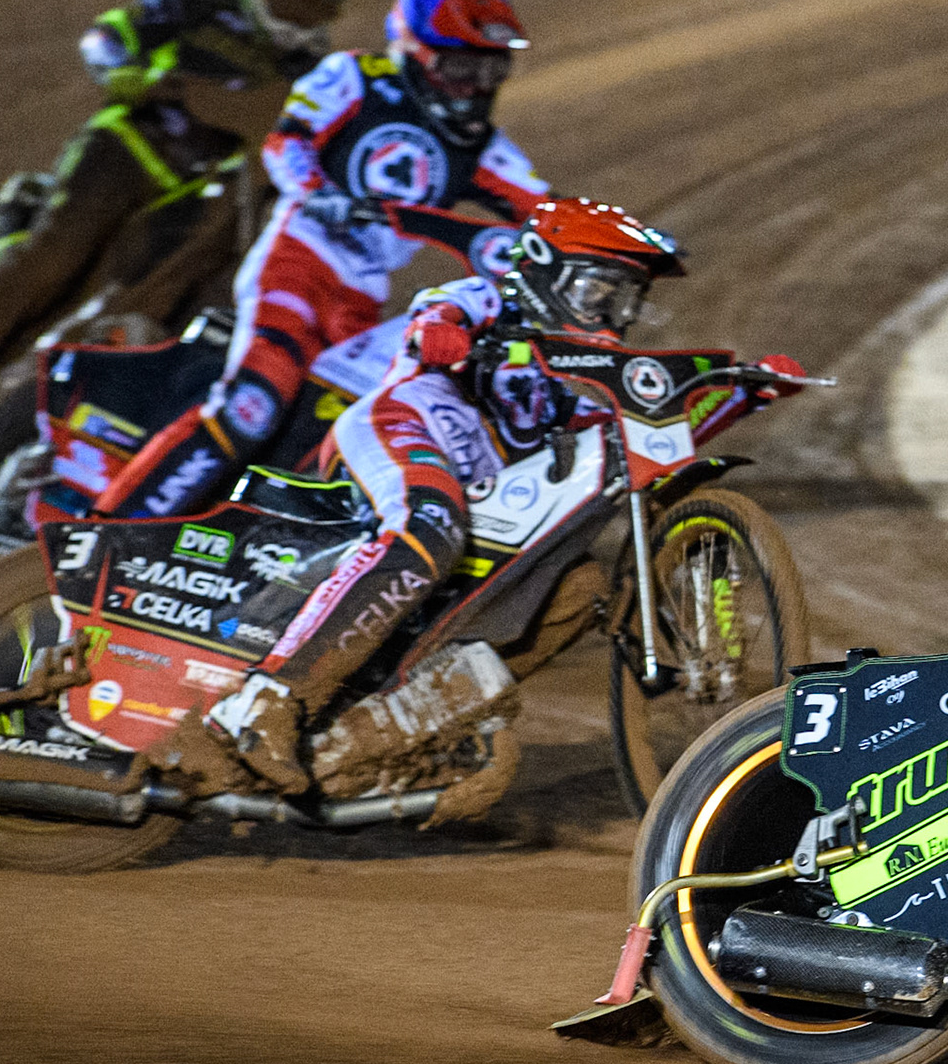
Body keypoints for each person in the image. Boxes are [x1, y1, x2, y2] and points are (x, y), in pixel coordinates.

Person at [182, 197, 699, 793]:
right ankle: (264, 700)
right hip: (401, 427)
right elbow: (434, 319)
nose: (612, 314)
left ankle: (401, 727)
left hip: (478, 488)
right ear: (544, 270)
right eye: (598, 291)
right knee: (431, 527)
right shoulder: (488, 297)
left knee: (579, 590)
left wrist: (740, 387)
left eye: (626, 298)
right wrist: (446, 339)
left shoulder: (585, 374)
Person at [96, 0, 548, 521]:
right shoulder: (354, 78)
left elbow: (546, 210)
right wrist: (317, 191)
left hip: (358, 299)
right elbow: (286, 142)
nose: (475, 90)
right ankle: (108, 528)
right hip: (298, 261)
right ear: (416, 51)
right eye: (461, 69)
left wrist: (615, 245)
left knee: (336, 427)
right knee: (253, 405)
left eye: (491, 72)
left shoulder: (484, 148)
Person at [0, 0, 350, 384]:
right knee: (52, 257)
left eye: (315, 12)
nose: (296, 26)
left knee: (123, 301)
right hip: (128, 146)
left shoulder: (314, 71)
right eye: (289, 6)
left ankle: (20, 395)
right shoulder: (202, 2)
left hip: (198, 198)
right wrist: (146, 79)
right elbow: (106, 40)